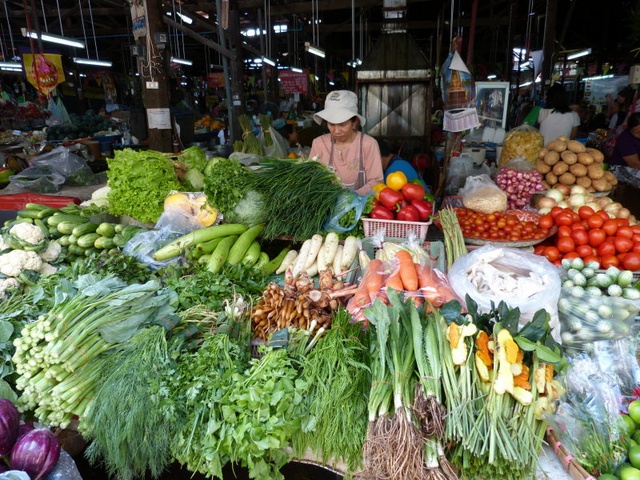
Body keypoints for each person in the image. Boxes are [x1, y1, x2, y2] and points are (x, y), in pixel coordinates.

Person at [308, 90, 384, 195]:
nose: (336, 131)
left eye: (342, 124)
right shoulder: (319, 144)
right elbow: (312, 179)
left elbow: (376, 182)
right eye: (331, 124)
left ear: (355, 121)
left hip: (361, 207)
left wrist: (351, 197)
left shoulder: (368, 144)